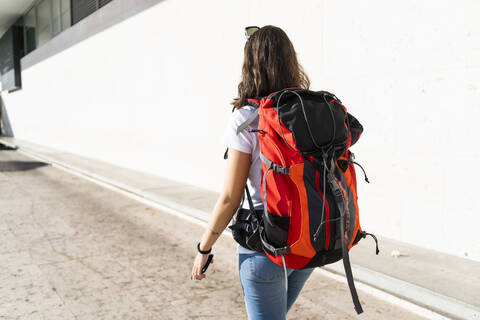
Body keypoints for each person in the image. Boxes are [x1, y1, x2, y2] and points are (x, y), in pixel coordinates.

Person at [191, 25, 314, 320]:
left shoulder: (246, 118)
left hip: (265, 246)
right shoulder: (307, 110)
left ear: (250, 64)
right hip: (308, 241)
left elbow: (230, 197)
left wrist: (204, 247)